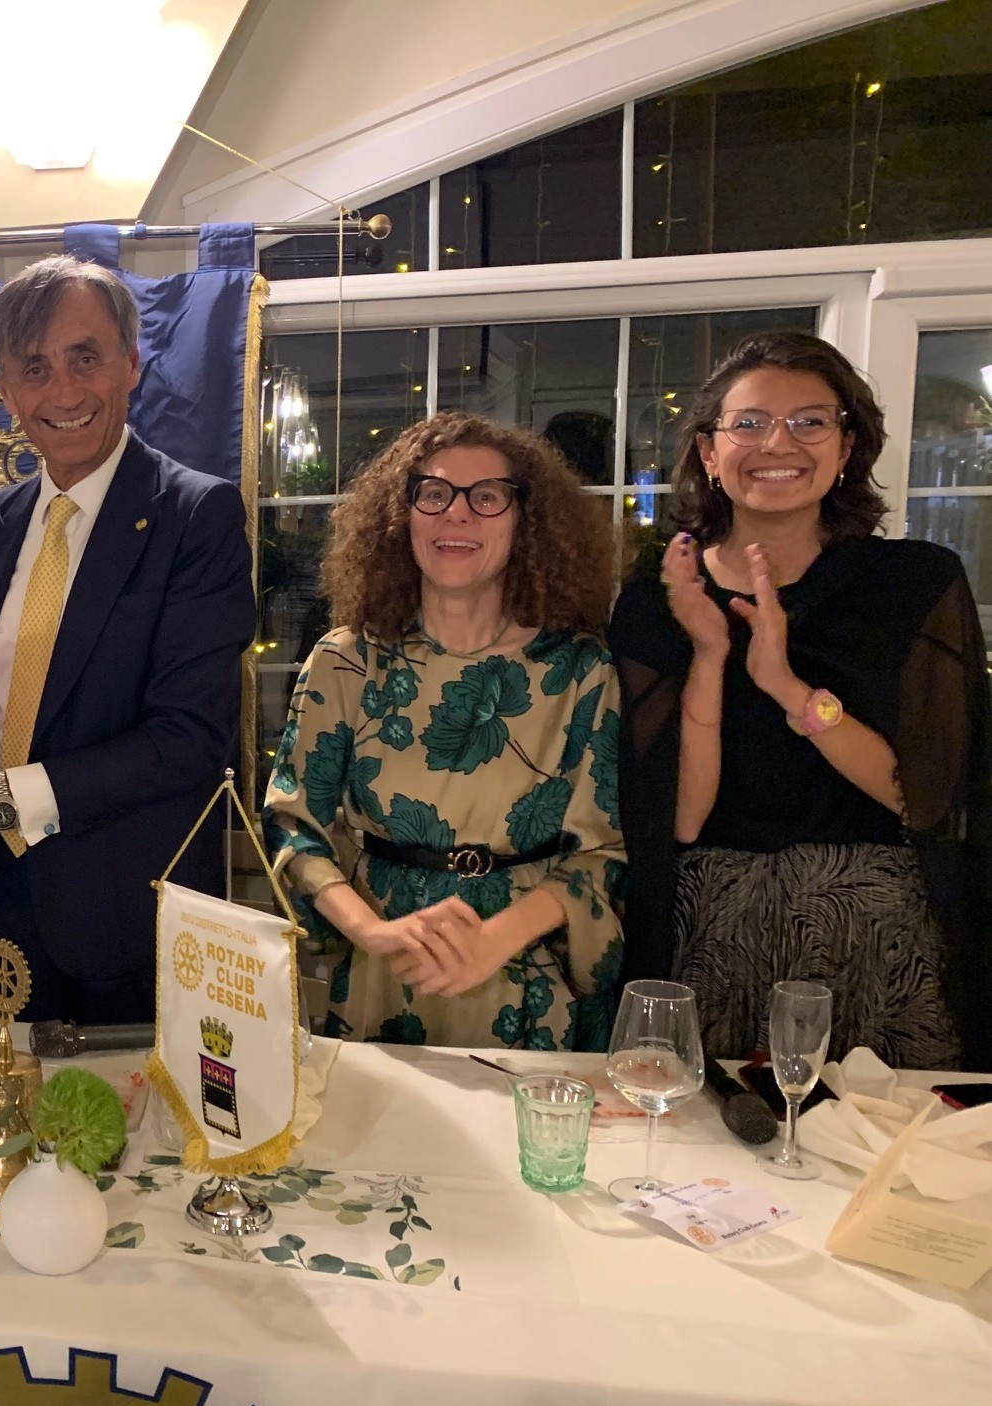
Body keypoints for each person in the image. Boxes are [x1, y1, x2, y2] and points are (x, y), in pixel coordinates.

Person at [0, 255, 255, 1024]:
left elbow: (189, 740)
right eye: (34, 368)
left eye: (85, 358)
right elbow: (5, 687)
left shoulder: (194, 517)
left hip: (130, 914)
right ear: (6, 391)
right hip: (4, 898)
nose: (64, 391)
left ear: (130, 364)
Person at [612, 331, 991, 1070]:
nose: (777, 443)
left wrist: (786, 685)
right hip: (711, 923)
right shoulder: (658, 596)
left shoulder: (913, 583)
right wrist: (711, 657)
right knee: (706, 1139)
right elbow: (679, 821)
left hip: (875, 924)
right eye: (748, 423)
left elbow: (926, 800)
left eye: (808, 421)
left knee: (879, 1138)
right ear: (709, 452)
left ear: (846, 446)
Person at [264, 413, 624, 1050]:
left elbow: (601, 853)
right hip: (386, 969)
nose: (456, 513)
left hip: (528, 977)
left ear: (525, 520)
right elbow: (295, 830)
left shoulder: (579, 671)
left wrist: (492, 941)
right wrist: (374, 934)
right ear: (401, 517)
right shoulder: (346, 661)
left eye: (487, 496)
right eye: (433, 493)